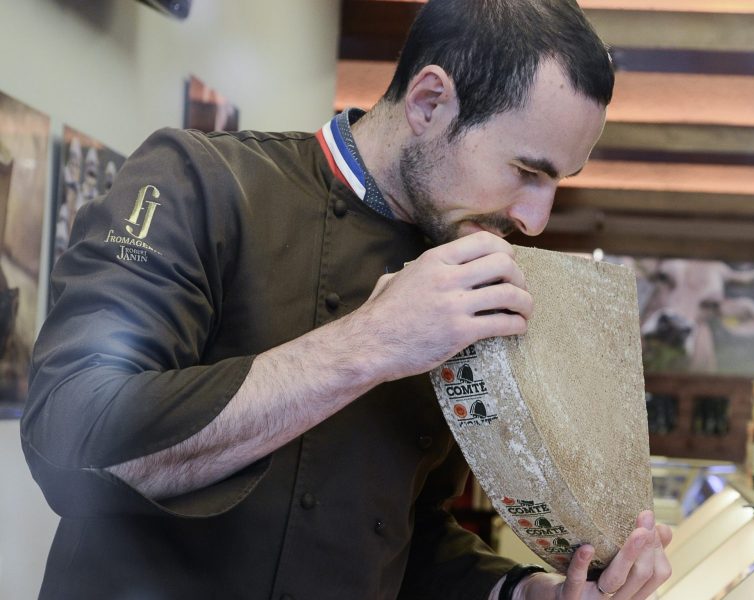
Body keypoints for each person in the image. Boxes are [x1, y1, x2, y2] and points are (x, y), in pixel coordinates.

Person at [22, 0, 672, 598]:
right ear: (427, 102)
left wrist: (531, 592)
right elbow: (71, 440)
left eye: (558, 182)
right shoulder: (201, 182)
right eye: (527, 172)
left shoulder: (459, 271)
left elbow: (402, 533)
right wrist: (371, 342)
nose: (535, 219)